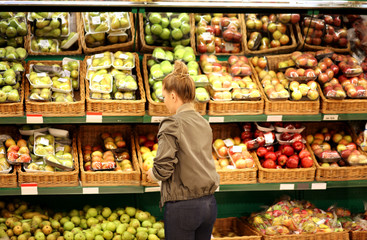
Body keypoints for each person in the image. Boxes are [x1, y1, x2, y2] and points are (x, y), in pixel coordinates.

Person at [147, 60, 220, 240]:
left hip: (183, 208)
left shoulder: (172, 123)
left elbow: (163, 168)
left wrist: (152, 174)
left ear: (173, 96)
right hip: (209, 205)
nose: (164, 102)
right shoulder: (203, 122)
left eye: (164, 96)